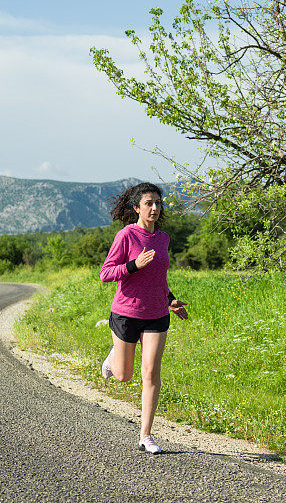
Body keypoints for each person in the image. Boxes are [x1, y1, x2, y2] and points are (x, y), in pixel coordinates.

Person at [99, 182, 188, 454]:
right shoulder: (126, 236)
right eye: (148, 203)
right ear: (136, 208)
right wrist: (133, 266)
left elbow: (158, 276)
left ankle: (146, 435)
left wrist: (170, 299)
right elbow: (106, 273)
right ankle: (115, 356)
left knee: (150, 372)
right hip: (126, 312)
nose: (154, 208)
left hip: (156, 314)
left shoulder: (163, 239)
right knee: (124, 376)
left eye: (158, 203)